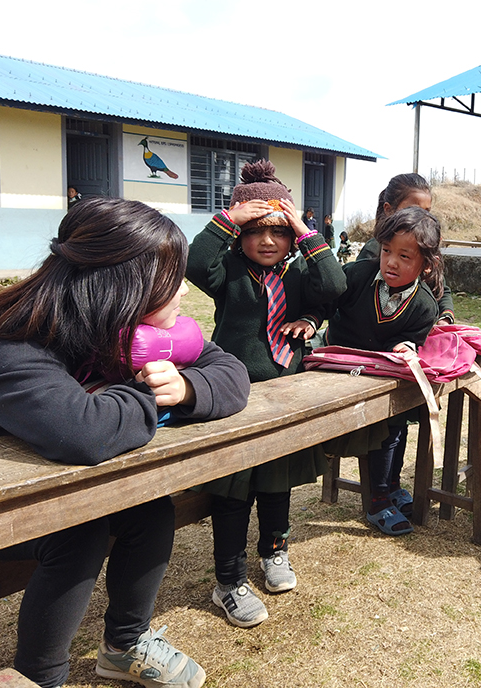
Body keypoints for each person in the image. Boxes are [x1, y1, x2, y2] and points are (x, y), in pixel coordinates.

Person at [0, 197, 250, 688]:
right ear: (124, 285)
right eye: (169, 278)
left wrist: (186, 387)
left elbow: (232, 373)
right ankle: (39, 678)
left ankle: (124, 645)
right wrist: (149, 391)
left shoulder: (121, 328)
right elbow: (85, 432)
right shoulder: (15, 346)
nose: (183, 289)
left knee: (148, 508)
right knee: (78, 531)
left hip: (42, 485)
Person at [186, 159, 345, 629]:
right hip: (236, 398)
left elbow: (333, 287)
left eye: (279, 231)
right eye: (255, 231)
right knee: (233, 493)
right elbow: (195, 263)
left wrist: (310, 316)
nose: (268, 240)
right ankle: (228, 580)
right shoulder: (228, 272)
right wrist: (228, 218)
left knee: (278, 482)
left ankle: (275, 551)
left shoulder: (297, 273)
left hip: (284, 395)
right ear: (239, 234)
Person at [324, 207, 443, 536]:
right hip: (337, 368)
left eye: (404, 256)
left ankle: (390, 486)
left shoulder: (424, 306)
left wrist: (407, 345)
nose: (391, 262)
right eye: (387, 251)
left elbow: (411, 338)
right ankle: (377, 501)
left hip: (381, 377)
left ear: (426, 264)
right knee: (386, 427)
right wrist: (309, 320)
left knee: (398, 420)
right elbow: (324, 301)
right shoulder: (358, 275)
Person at [356, 173, 455, 325]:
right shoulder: (373, 251)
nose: (420, 217)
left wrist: (445, 318)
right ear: (389, 210)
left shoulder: (423, 250)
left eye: (426, 212)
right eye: (413, 209)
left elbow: (440, 288)